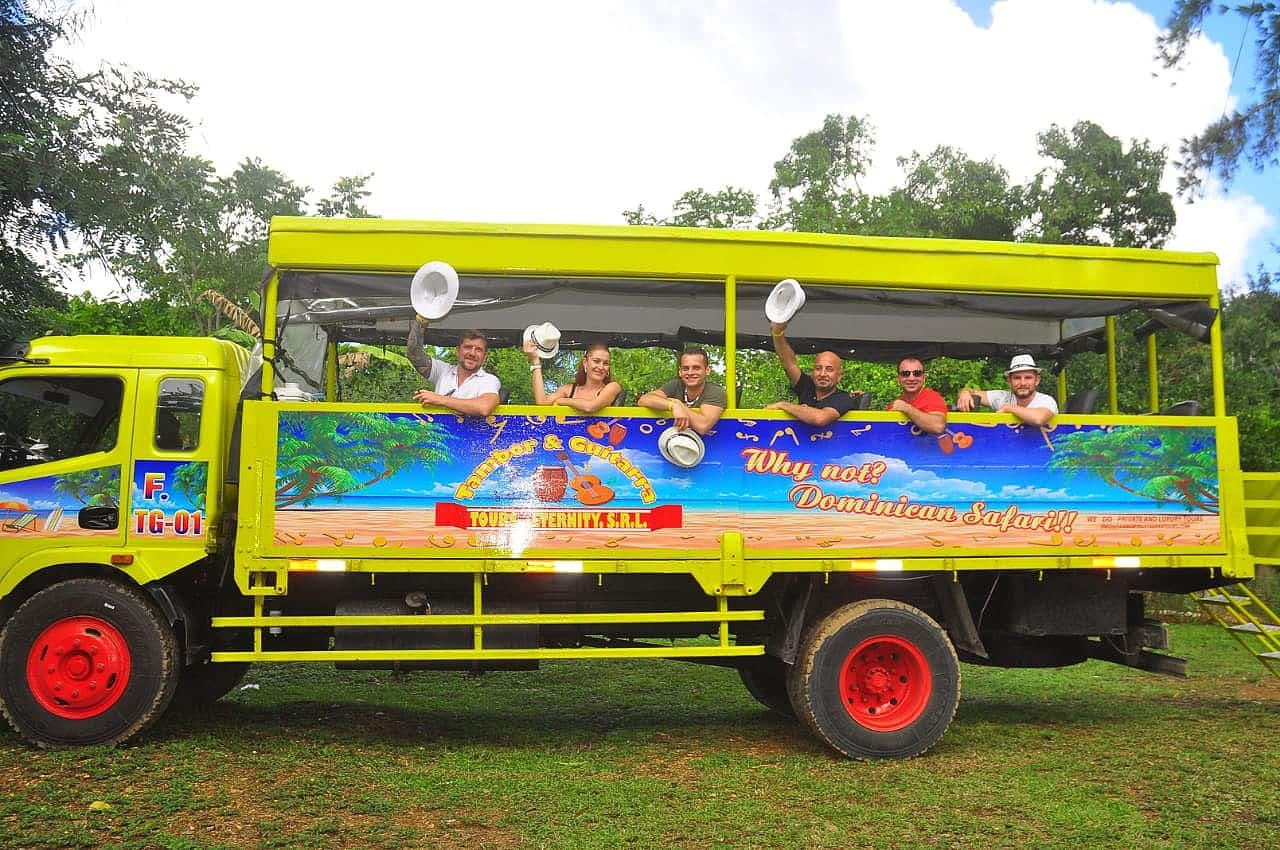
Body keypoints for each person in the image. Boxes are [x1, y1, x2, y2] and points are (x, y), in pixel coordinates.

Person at [765, 321, 855, 426]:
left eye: (829, 369)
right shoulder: (807, 387)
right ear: (813, 372)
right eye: (818, 368)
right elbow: (789, 362)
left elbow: (820, 418)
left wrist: (785, 405)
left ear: (839, 376)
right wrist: (777, 333)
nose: (822, 374)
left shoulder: (843, 398)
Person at [407, 322, 501, 416]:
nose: (472, 353)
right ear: (458, 351)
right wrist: (421, 321)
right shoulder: (443, 371)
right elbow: (414, 354)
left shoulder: (489, 380)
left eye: (478, 349)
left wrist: (440, 399)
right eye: (468, 347)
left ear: (484, 357)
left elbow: (484, 407)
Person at [637, 347, 727, 435]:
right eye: (685, 368)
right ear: (680, 372)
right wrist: (674, 405)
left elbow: (702, 426)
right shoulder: (675, 385)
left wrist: (680, 406)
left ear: (707, 370)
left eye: (696, 368)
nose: (690, 373)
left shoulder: (715, 391)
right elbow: (644, 400)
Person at [956, 353, 1058, 426]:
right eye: (1017, 378)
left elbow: (1038, 418)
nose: (1022, 383)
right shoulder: (1002, 397)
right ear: (1009, 380)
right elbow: (971, 391)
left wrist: (1008, 408)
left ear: (1037, 380)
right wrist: (965, 392)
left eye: (1028, 377)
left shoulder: (1046, 400)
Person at [524, 340, 623, 413]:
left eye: (606, 363)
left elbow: (590, 407)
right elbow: (542, 402)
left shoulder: (613, 387)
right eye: (596, 361)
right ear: (585, 362)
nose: (601, 367)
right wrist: (535, 361)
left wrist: (563, 401)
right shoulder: (569, 390)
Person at [888, 357, 948, 435]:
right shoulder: (895, 404)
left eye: (917, 373)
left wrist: (906, 408)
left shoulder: (933, 397)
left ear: (924, 378)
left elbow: (938, 427)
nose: (911, 378)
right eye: (905, 374)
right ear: (898, 378)